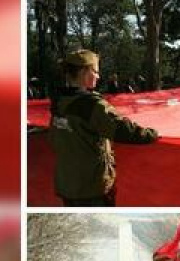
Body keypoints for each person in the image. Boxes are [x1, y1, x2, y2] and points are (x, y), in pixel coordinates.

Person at [48, 50, 159, 206]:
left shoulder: (58, 102)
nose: (98, 77)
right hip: (91, 187)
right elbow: (122, 130)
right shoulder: (92, 105)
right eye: (95, 71)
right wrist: (152, 134)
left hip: (67, 184)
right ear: (83, 71)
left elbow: (54, 139)